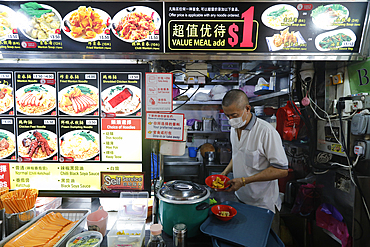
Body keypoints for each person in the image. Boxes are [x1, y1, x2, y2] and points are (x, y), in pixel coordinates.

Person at [220, 89, 288, 214]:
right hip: (240, 198)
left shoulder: (266, 132)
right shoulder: (234, 129)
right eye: (227, 115)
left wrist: (244, 181)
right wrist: (224, 173)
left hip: (263, 205)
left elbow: (282, 170)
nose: (230, 120)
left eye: (234, 115)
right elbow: (237, 154)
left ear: (247, 108)